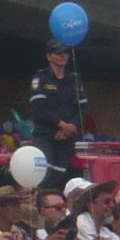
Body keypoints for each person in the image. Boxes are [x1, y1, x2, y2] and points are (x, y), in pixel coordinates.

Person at [26, 42, 88, 173]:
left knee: (62, 175)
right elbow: (38, 109)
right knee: (42, 175)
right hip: (45, 137)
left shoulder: (74, 78)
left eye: (65, 53)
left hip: (67, 138)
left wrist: (70, 127)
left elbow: (82, 108)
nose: (63, 56)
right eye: (58, 53)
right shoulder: (40, 77)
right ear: (49, 56)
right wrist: (61, 125)